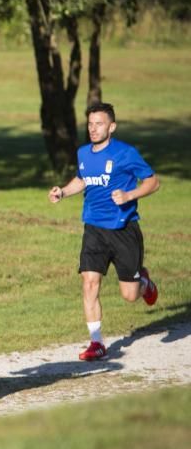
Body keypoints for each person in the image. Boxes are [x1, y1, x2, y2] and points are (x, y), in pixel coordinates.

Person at [48, 102, 160, 361]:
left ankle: (143, 282)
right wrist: (63, 192)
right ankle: (96, 342)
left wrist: (130, 194)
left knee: (130, 295)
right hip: (94, 229)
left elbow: (153, 181)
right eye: (90, 124)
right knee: (89, 282)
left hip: (124, 230)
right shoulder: (83, 153)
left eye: (99, 124)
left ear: (112, 126)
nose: (93, 129)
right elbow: (83, 179)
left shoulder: (126, 153)